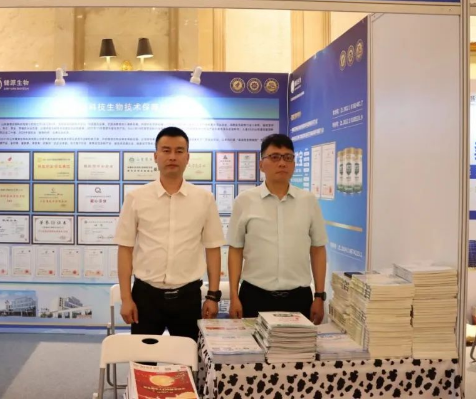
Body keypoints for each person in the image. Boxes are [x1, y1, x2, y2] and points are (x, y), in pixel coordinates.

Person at [114, 126, 226, 341]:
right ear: (155, 156)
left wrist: (213, 296)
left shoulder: (204, 199)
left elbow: (213, 248)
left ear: (187, 157)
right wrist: (126, 298)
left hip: (188, 296)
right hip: (146, 296)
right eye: (166, 150)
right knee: (144, 356)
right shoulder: (136, 198)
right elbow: (125, 249)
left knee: (188, 356)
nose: (172, 157)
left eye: (179, 151)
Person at [227, 133, 328, 324]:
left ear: (294, 164)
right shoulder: (245, 201)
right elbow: (235, 249)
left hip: (298, 298)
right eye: (274, 157)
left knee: (299, 345)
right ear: (261, 164)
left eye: (288, 157)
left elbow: (318, 249)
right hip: (255, 296)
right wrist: (233, 295)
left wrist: (319, 296)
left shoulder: (308, 201)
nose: (282, 163)